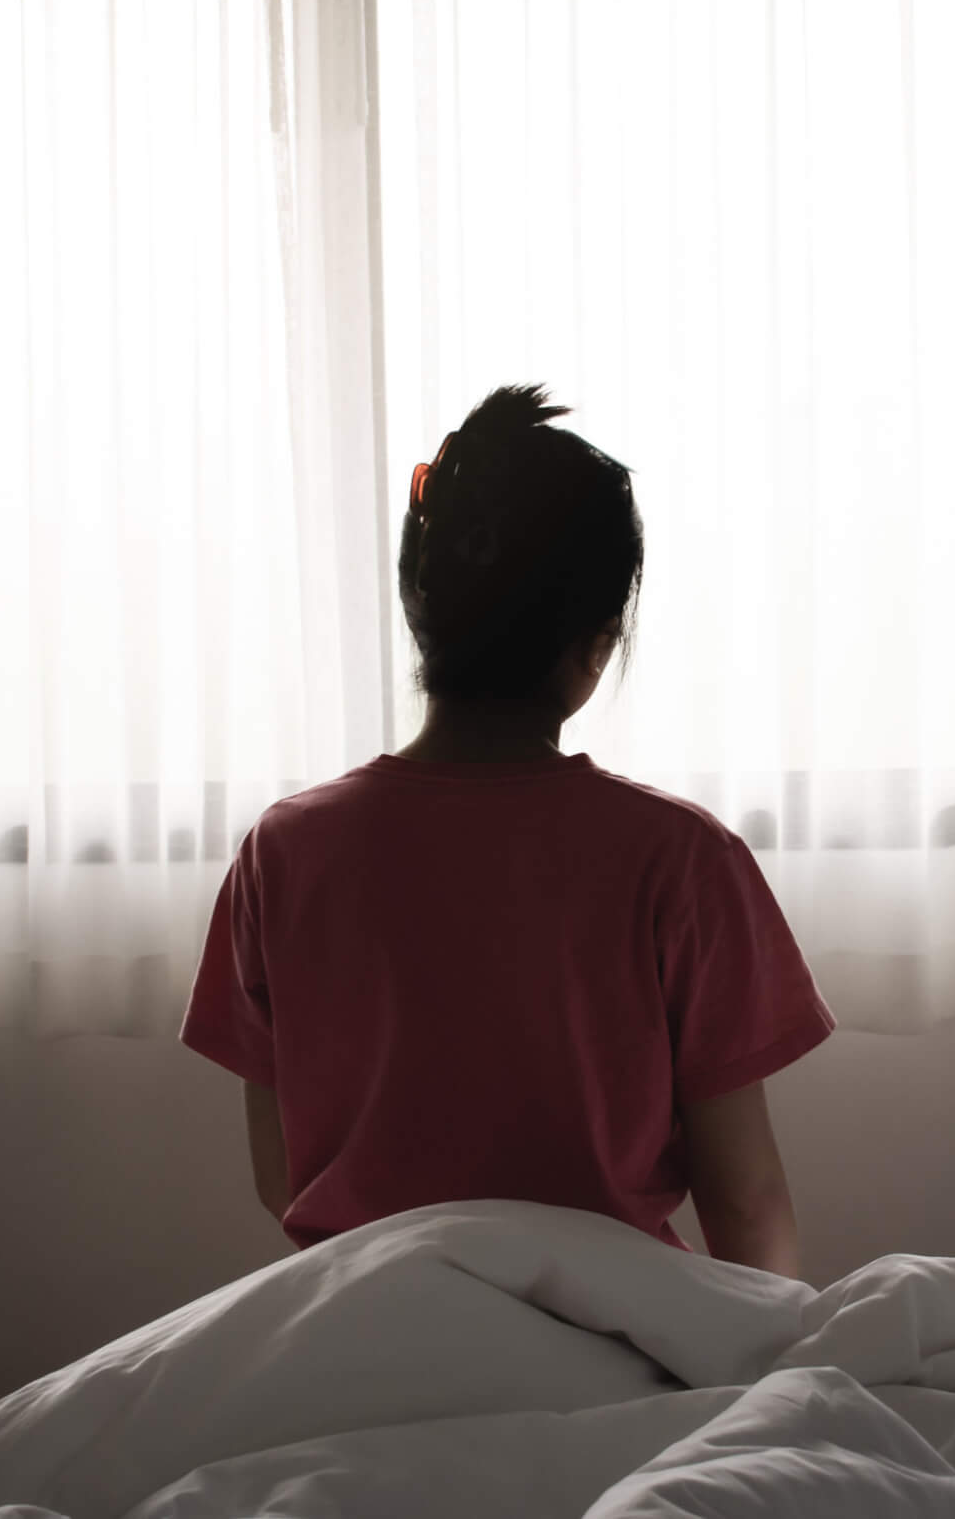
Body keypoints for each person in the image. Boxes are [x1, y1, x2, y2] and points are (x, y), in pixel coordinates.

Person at [180, 385, 833, 1278]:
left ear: (416, 602)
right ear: (596, 648)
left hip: (363, 1328)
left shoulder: (283, 854)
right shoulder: (681, 861)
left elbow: (282, 1172)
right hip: (617, 1336)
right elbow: (745, 1202)